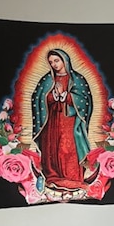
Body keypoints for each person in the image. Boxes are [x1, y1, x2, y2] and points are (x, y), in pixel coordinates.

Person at [31, 48, 93, 190]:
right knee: (51, 147)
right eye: (51, 62)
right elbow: (37, 98)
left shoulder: (77, 79)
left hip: (69, 122)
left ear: (65, 60)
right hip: (51, 121)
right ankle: (52, 177)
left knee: (67, 148)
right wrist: (52, 95)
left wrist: (67, 96)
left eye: (56, 61)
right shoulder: (47, 79)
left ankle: (72, 179)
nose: (54, 64)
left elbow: (85, 101)